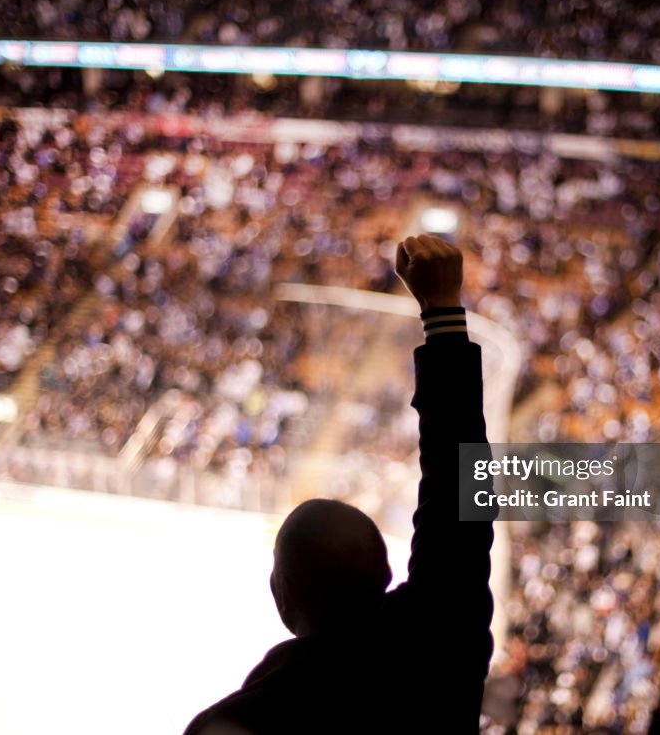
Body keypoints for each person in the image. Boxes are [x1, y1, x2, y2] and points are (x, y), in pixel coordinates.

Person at [184, 234, 497, 734]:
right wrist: (443, 312)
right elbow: (461, 489)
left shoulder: (242, 720)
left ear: (281, 596)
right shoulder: (443, 636)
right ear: (385, 572)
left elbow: (462, 492)